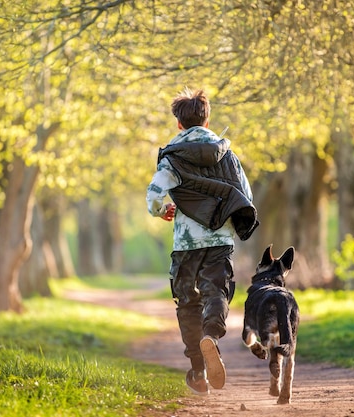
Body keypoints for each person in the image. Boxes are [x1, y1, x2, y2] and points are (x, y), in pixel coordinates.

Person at [146, 88, 258, 395]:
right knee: (216, 291)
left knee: (187, 302)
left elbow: (154, 194)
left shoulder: (172, 155)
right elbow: (245, 194)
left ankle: (197, 369)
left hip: (185, 243)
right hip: (220, 238)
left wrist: (161, 210)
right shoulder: (226, 153)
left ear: (179, 124)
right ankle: (212, 337)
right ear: (207, 121)